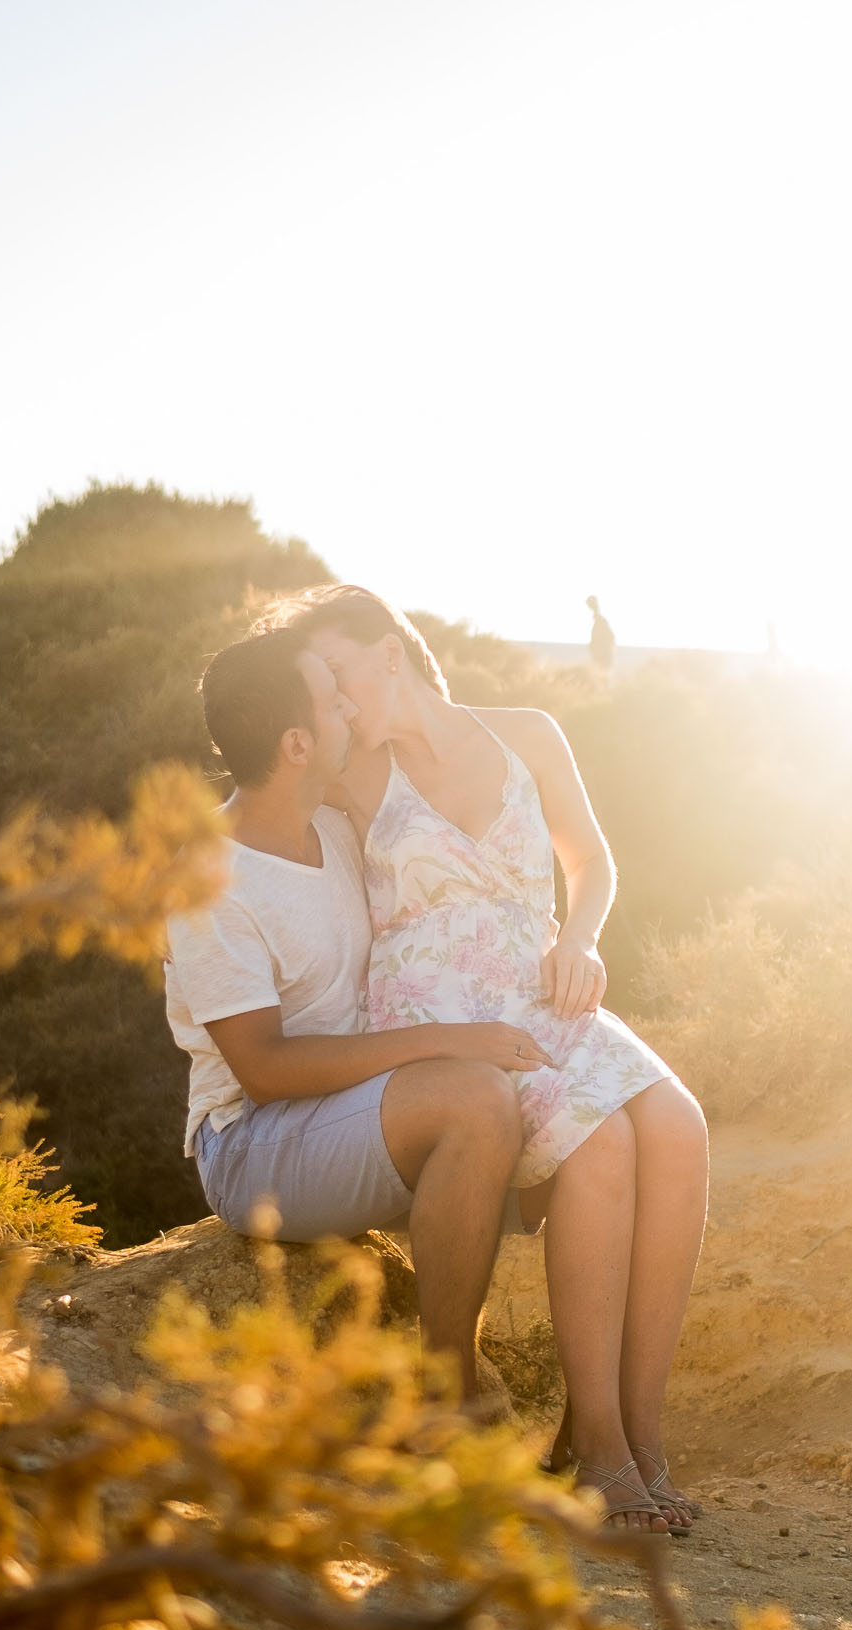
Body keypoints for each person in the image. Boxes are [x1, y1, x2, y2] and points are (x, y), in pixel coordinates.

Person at [273, 584, 709, 1536]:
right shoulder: (356, 771)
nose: (338, 705)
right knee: (602, 1145)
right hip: (438, 1015)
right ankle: (597, 1450)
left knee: (679, 1125)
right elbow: (260, 793)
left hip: (542, 984)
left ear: (390, 649)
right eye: (325, 692)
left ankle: (639, 1433)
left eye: (341, 676)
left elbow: (592, 861)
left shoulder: (528, 734)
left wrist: (583, 940)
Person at [162, 627, 553, 1407]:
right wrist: (456, 1042)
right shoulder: (208, 875)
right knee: (477, 1100)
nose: (351, 708)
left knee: (571, 1116)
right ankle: (448, 1403)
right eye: (332, 699)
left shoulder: (337, 824)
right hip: (249, 1140)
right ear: (298, 743)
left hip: (358, 1106)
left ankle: (595, 1427)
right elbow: (265, 1071)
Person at [586, 595, 616, 673]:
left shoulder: (601, 623)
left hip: (603, 657)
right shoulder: (599, 623)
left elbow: (610, 638)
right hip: (600, 657)